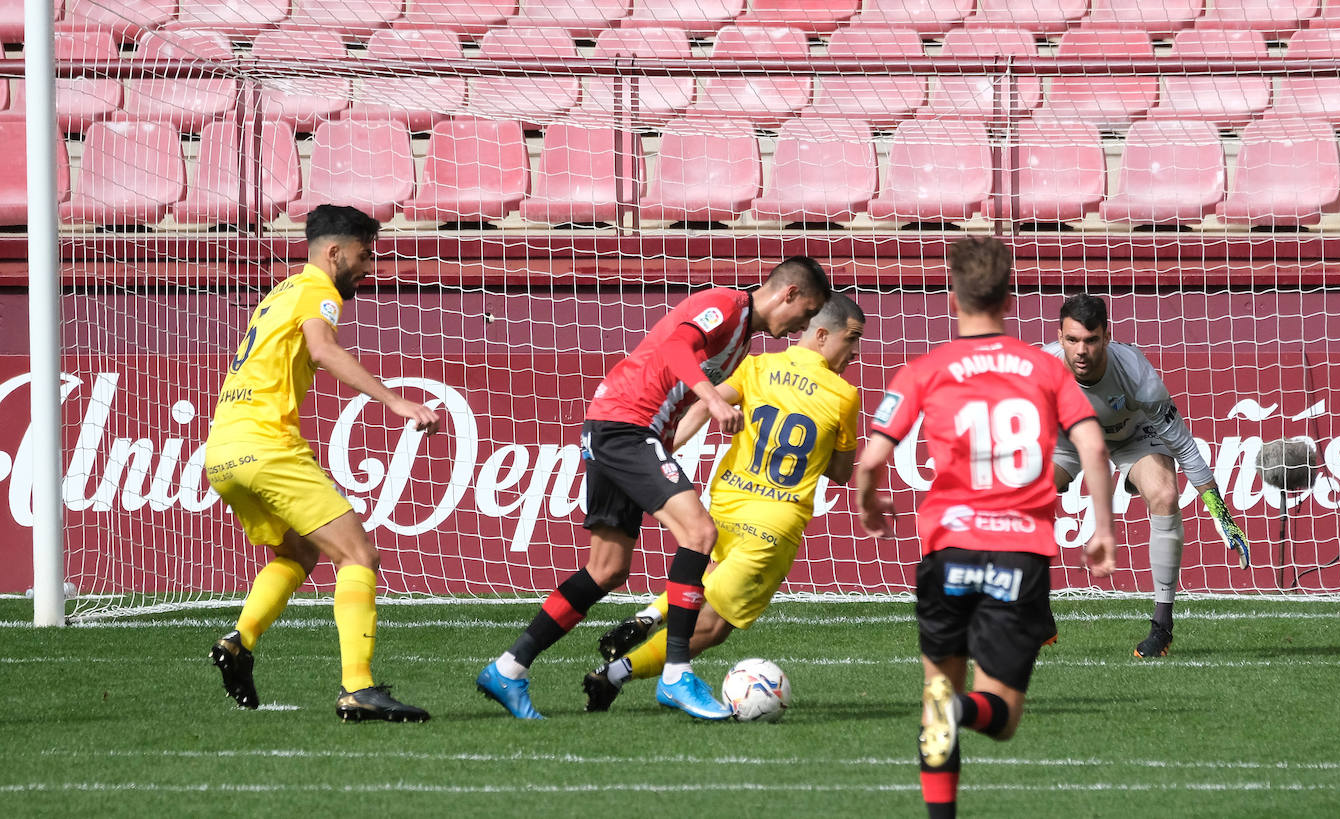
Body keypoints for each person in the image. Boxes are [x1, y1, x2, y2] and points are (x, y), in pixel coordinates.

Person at [477, 257, 831, 721]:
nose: (803, 324)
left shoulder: (743, 336)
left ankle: (509, 668)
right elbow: (676, 349)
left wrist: (671, 441)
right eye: (806, 312)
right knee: (700, 533)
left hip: (617, 429)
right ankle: (676, 673)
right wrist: (709, 399)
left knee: (606, 570)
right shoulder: (724, 305)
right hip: (625, 425)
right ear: (788, 294)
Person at [854, 236, 1117, 819]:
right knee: (1000, 716)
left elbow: (870, 459)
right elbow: (1093, 447)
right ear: (1010, 295)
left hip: (947, 550)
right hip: (1019, 556)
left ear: (952, 294)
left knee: (936, 692)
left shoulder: (925, 369)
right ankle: (963, 712)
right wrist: (1103, 528)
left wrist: (870, 505)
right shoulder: (1044, 369)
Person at [205, 204, 442, 723]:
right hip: (268, 447)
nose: (369, 265)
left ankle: (239, 643)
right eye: (364, 254)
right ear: (334, 253)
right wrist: (395, 400)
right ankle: (357, 688)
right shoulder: (318, 290)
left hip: (223, 450)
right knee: (357, 555)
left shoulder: (280, 292)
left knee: (295, 553)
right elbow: (324, 349)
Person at [583, 292, 866, 712]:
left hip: (726, 505)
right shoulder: (843, 396)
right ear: (822, 334)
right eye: (851, 339)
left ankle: (648, 617)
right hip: (772, 525)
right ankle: (613, 676)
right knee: (712, 626)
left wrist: (661, 450)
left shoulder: (758, 366)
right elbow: (841, 473)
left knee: (704, 579)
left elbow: (701, 407)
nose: (855, 353)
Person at [1046, 292, 1251, 659]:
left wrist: (1221, 514)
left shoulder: (1136, 374)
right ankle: (1031, 611)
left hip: (1131, 437)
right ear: (1059, 337)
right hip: (1072, 438)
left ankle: (1162, 627)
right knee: (1027, 493)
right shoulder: (1039, 370)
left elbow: (1186, 447)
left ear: (1106, 337)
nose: (1081, 350)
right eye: (1072, 339)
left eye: (1091, 340)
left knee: (1165, 495)